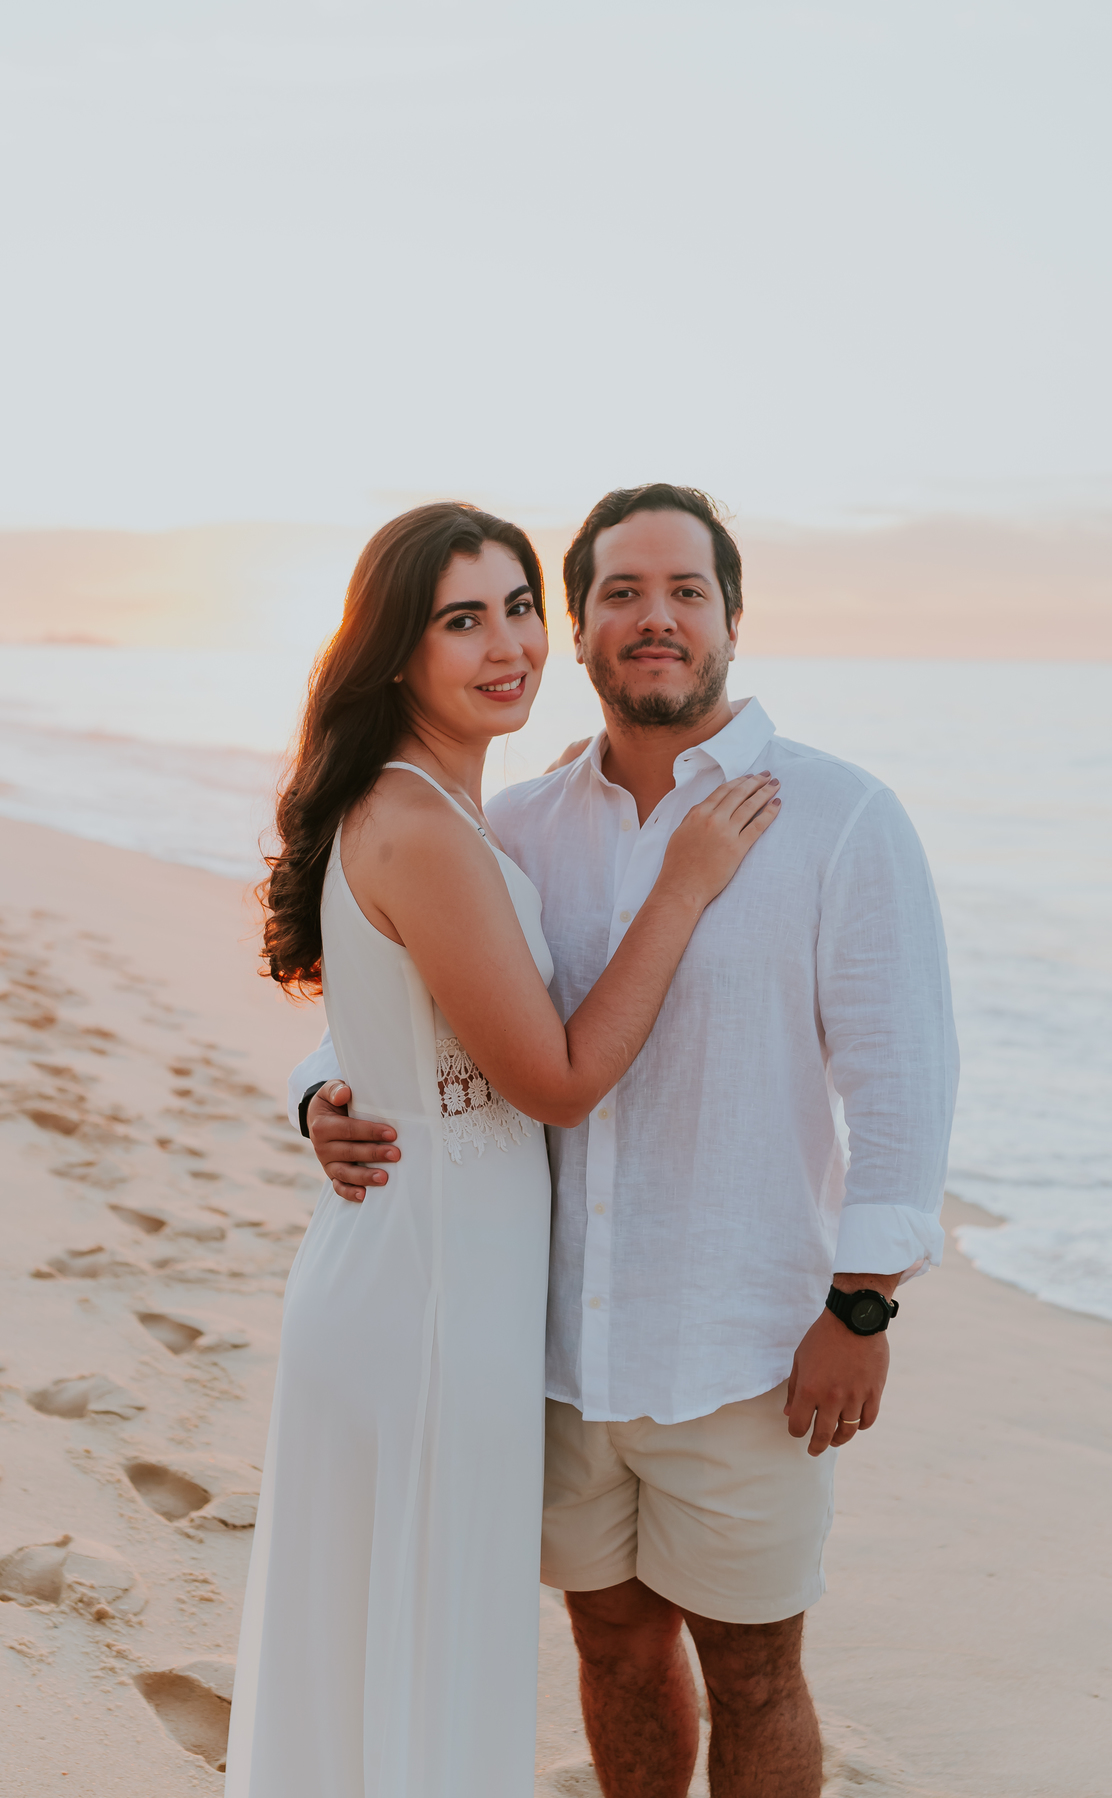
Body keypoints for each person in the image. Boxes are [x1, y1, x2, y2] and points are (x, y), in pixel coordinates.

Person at [294, 484, 959, 1798]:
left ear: (731, 619)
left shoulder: (840, 815)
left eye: (686, 591)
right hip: (548, 1348)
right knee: (609, 1642)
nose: (655, 618)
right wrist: (319, 1094)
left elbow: (904, 1075)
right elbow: (412, 993)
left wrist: (866, 1302)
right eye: (619, 594)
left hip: (743, 1349)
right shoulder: (525, 822)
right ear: (583, 636)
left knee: (757, 1666)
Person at [224, 500, 779, 1798]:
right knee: (421, 1636)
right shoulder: (420, 824)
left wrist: (318, 1098)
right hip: (425, 1299)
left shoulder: (459, 816)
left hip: (438, 1280)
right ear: (396, 650)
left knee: (411, 1636)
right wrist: (684, 882)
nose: (508, 641)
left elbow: (371, 1028)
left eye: (521, 605)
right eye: (462, 618)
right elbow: (561, 1079)